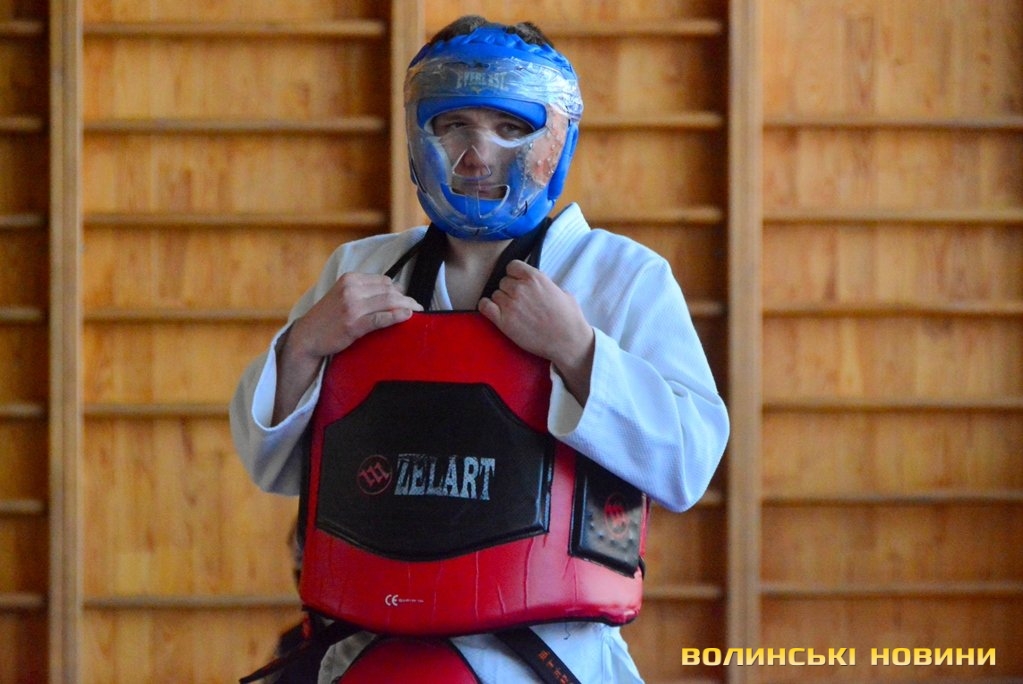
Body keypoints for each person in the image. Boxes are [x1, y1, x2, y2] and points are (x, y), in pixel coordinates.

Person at [231, 15, 729, 683]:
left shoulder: (619, 276)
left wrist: (578, 349)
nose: (476, 155)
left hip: (547, 658)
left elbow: (687, 467)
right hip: (367, 651)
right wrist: (304, 345)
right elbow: (269, 463)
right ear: (418, 136)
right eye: (452, 125)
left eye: (509, 127)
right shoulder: (360, 270)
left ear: (557, 138)